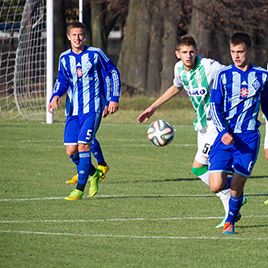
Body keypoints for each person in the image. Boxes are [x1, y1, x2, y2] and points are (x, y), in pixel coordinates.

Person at [136, 35, 232, 228]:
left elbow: (232, 74)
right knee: (200, 169)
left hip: (216, 124)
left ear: (196, 51)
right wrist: (152, 108)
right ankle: (232, 199)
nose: (189, 56)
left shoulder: (209, 67)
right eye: (185, 52)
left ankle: (232, 200)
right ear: (177, 54)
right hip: (202, 126)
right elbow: (175, 88)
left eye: (192, 52)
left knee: (202, 167)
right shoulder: (179, 68)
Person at [48, 22, 121, 201]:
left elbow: (113, 72)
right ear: (68, 37)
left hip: (93, 108)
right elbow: (62, 80)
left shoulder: (95, 54)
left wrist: (113, 98)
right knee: (71, 151)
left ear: (85, 36)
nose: (77, 38)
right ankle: (94, 173)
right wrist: (55, 96)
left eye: (80, 35)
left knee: (84, 146)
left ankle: (79, 190)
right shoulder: (64, 58)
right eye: (74, 35)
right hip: (72, 111)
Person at [209, 32, 268, 234]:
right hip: (226, 136)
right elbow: (214, 107)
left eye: (240, 51)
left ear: (248, 51)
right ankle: (237, 190)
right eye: (233, 51)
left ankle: (230, 222)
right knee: (215, 186)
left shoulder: (262, 76)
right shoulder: (222, 76)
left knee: (235, 186)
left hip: (249, 137)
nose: (236, 55)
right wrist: (223, 131)